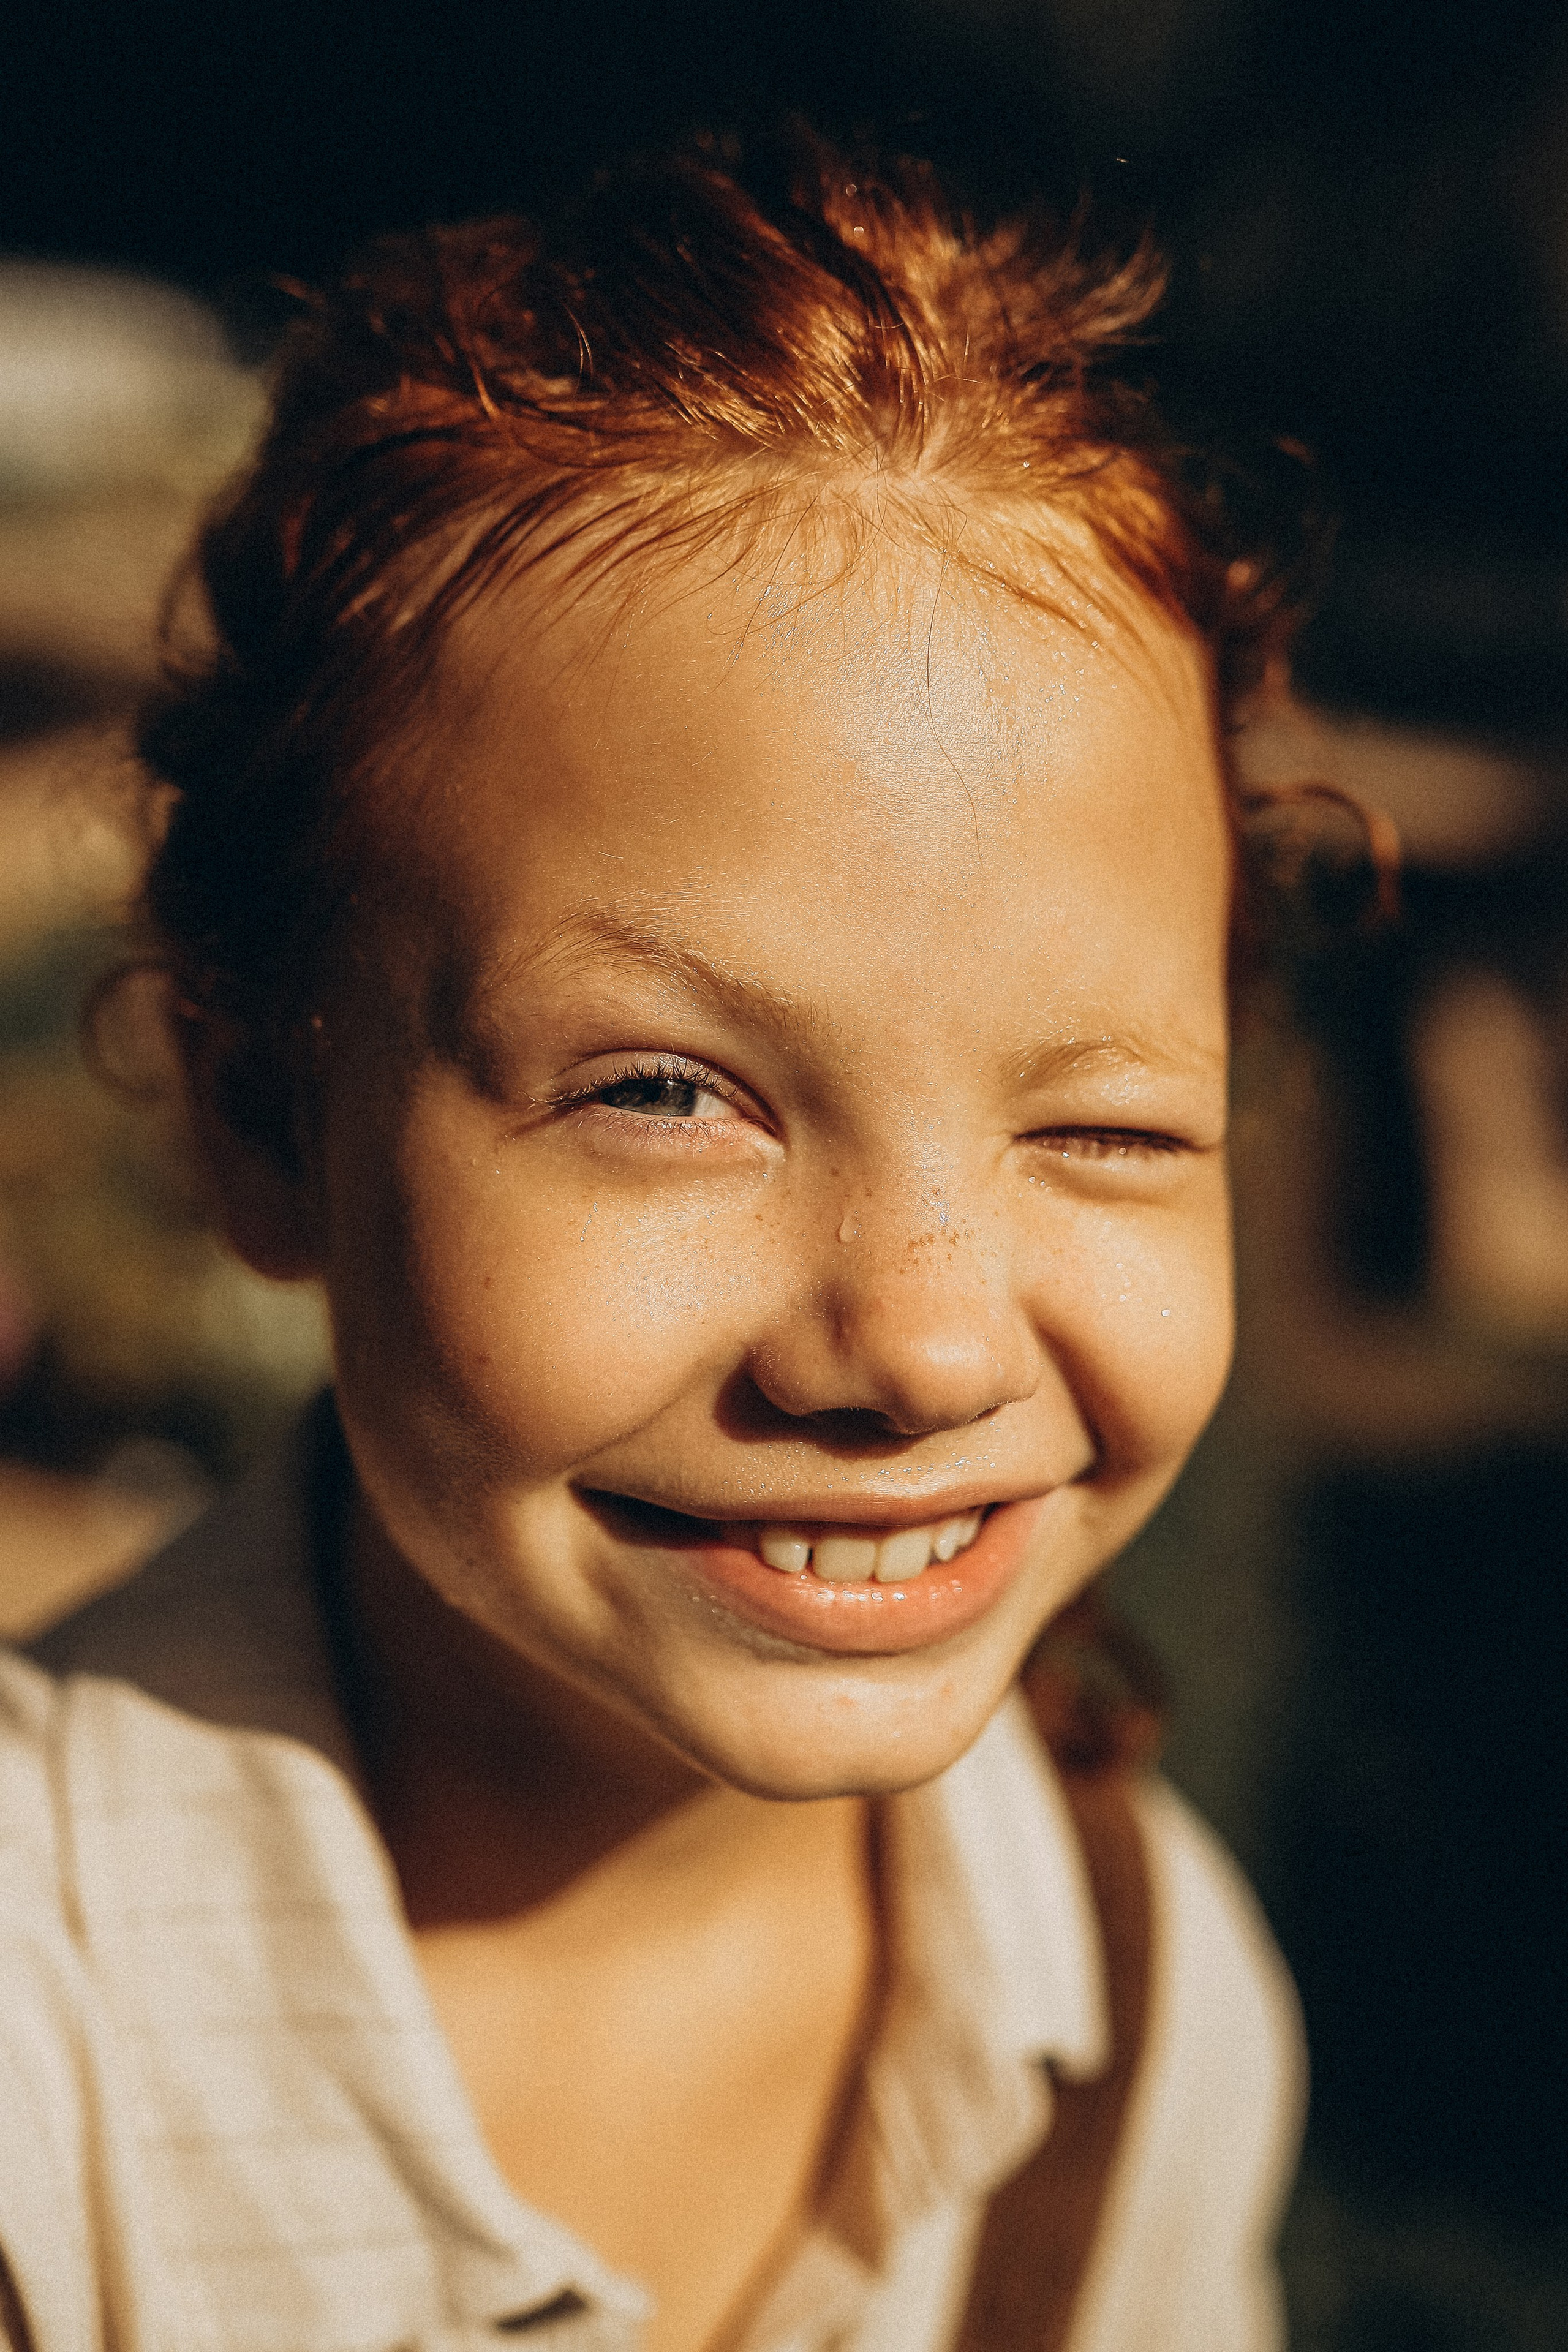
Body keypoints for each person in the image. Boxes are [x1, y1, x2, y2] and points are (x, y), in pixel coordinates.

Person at [0, 140, 1311, 2352]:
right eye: (662, 1096)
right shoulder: (52, 2071)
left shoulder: (1137, 1998)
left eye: (1101, 1123)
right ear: (258, 1114)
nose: (916, 1338)